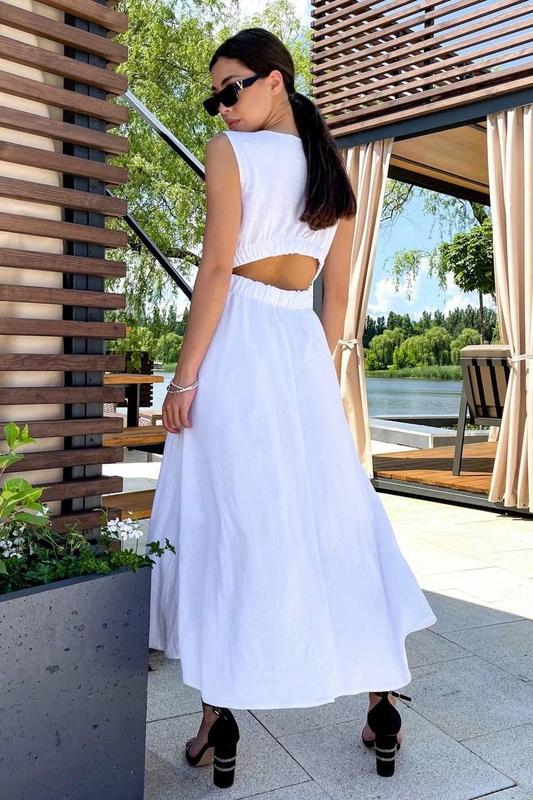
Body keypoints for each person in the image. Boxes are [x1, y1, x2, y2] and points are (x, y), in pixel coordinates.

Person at [146, 27, 437, 789]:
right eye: (214, 97)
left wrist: (183, 379)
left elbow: (216, 268)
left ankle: (217, 720)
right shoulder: (331, 173)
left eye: (231, 88)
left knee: (229, 517)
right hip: (300, 350)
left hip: (239, 342)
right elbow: (337, 303)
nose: (221, 106)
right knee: (329, 516)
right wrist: (322, 380)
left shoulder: (229, 153)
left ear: (276, 79)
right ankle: (381, 704)